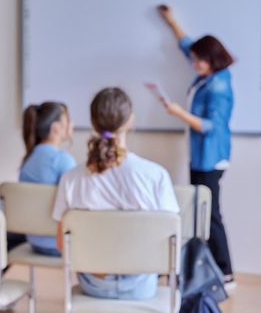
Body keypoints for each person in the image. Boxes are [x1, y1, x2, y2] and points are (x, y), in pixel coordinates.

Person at [53, 87, 179, 300]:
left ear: (93, 123)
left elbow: (61, 243)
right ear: (130, 120)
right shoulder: (156, 175)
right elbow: (171, 242)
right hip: (141, 285)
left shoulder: (71, 178)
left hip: (93, 284)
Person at [157, 4, 235, 287]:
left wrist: (177, 112)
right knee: (199, 211)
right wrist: (171, 21)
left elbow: (210, 126)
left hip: (211, 157)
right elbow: (187, 45)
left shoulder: (219, 86)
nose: (193, 64)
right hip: (198, 156)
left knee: (210, 213)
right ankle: (205, 268)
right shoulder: (206, 75)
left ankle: (225, 271)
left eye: (198, 60)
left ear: (211, 60)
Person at [17, 102, 76, 256]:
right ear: (56, 128)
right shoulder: (64, 161)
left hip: (34, 243)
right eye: (68, 121)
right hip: (60, 244)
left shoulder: (27, 161)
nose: (72, 125)